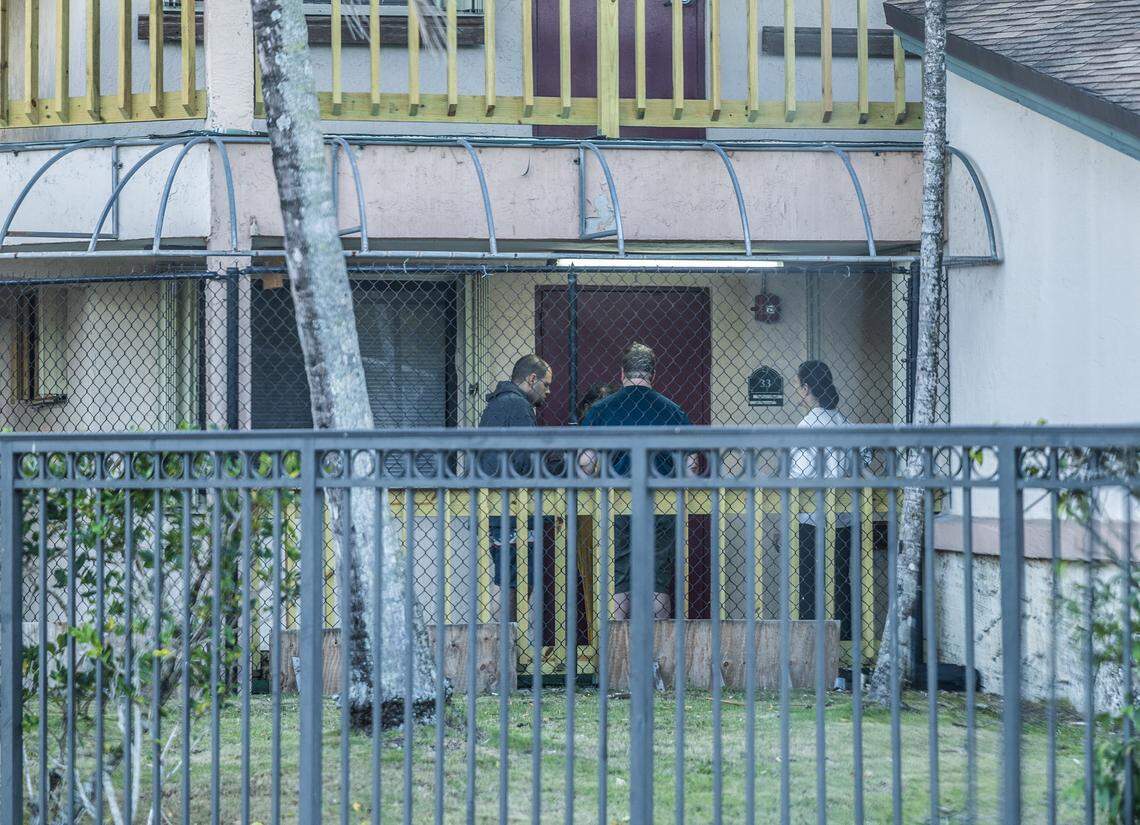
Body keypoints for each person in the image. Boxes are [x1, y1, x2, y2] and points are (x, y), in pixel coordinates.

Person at [579, 343, 695, 621]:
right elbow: (690, 465)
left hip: (618, 503)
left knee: (620, 579)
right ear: (652, 375)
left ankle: (618, 658)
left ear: (622, 374)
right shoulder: (673, 411)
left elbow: (585, 461)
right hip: (661, 502)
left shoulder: (601, 410)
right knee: (658, 581)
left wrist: (591, 484)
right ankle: (660, 655)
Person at [477, 354, 552, 623]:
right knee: (514, 580)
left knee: (510, 577)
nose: (548, 391)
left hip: (500, 504)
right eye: (546, 384)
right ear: (532, 379)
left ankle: (502, 642)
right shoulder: (518, 407)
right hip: (513, 508)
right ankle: (501, 644)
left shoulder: (499, 405)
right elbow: (524, 459)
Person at [789, 360, 857, 643]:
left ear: (806, 388)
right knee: (840, 582)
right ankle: (844, 645)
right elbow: (860, 460)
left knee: (809, 583)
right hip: (841, 519)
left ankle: (811, 646)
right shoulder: (846, 424)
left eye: (798, 385)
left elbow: (801, 475)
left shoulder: (806, 427)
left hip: (811, 519)